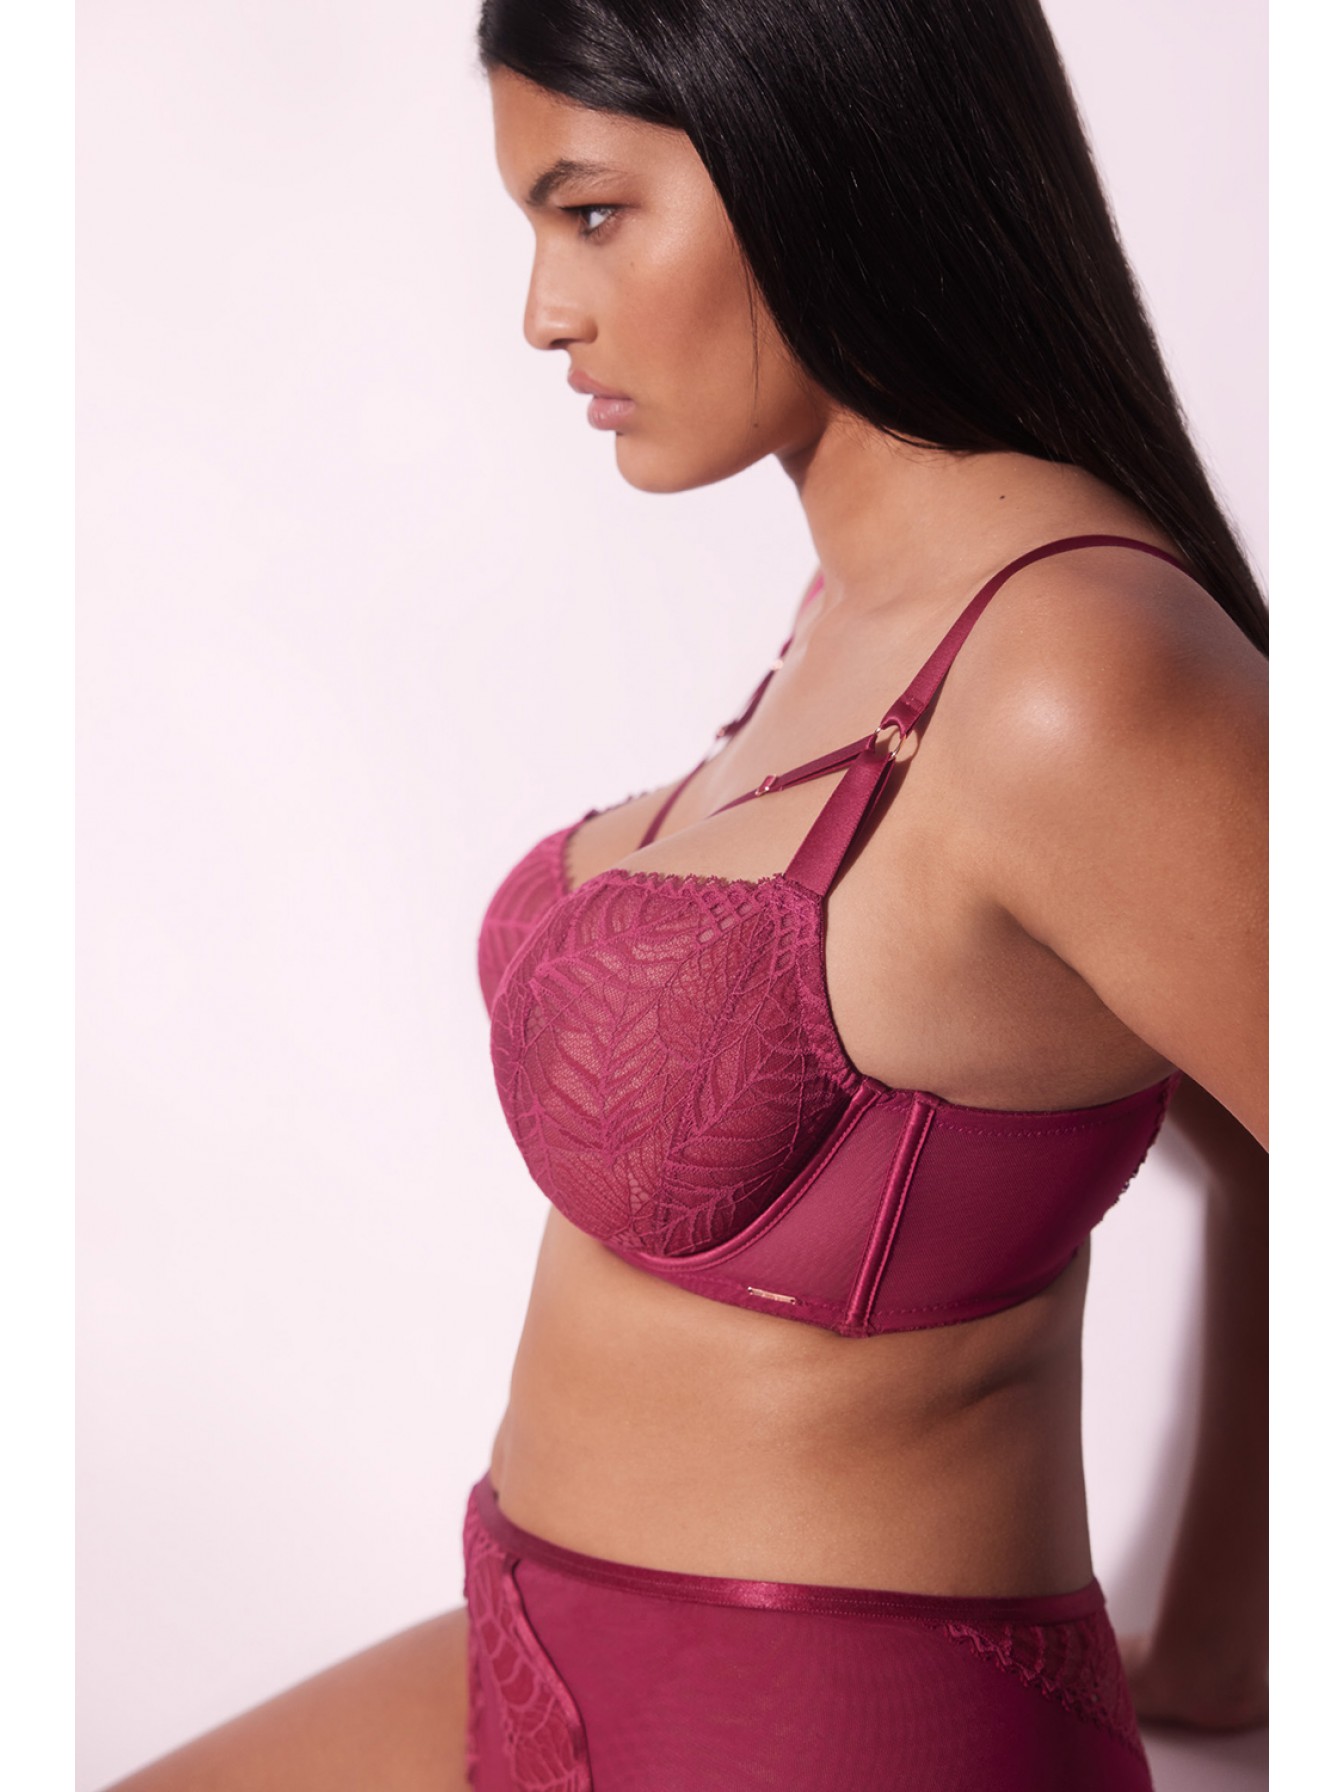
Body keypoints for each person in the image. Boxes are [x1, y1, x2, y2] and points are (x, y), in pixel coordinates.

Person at [105, 1, 1267, 1787]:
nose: (543, 312)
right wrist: (1224, 1635)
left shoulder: (1071, 675)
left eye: (592, 214)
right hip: (533, 1647)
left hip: (830, 1727)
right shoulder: (855, 618)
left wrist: (1226, 1639)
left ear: (825, 156)